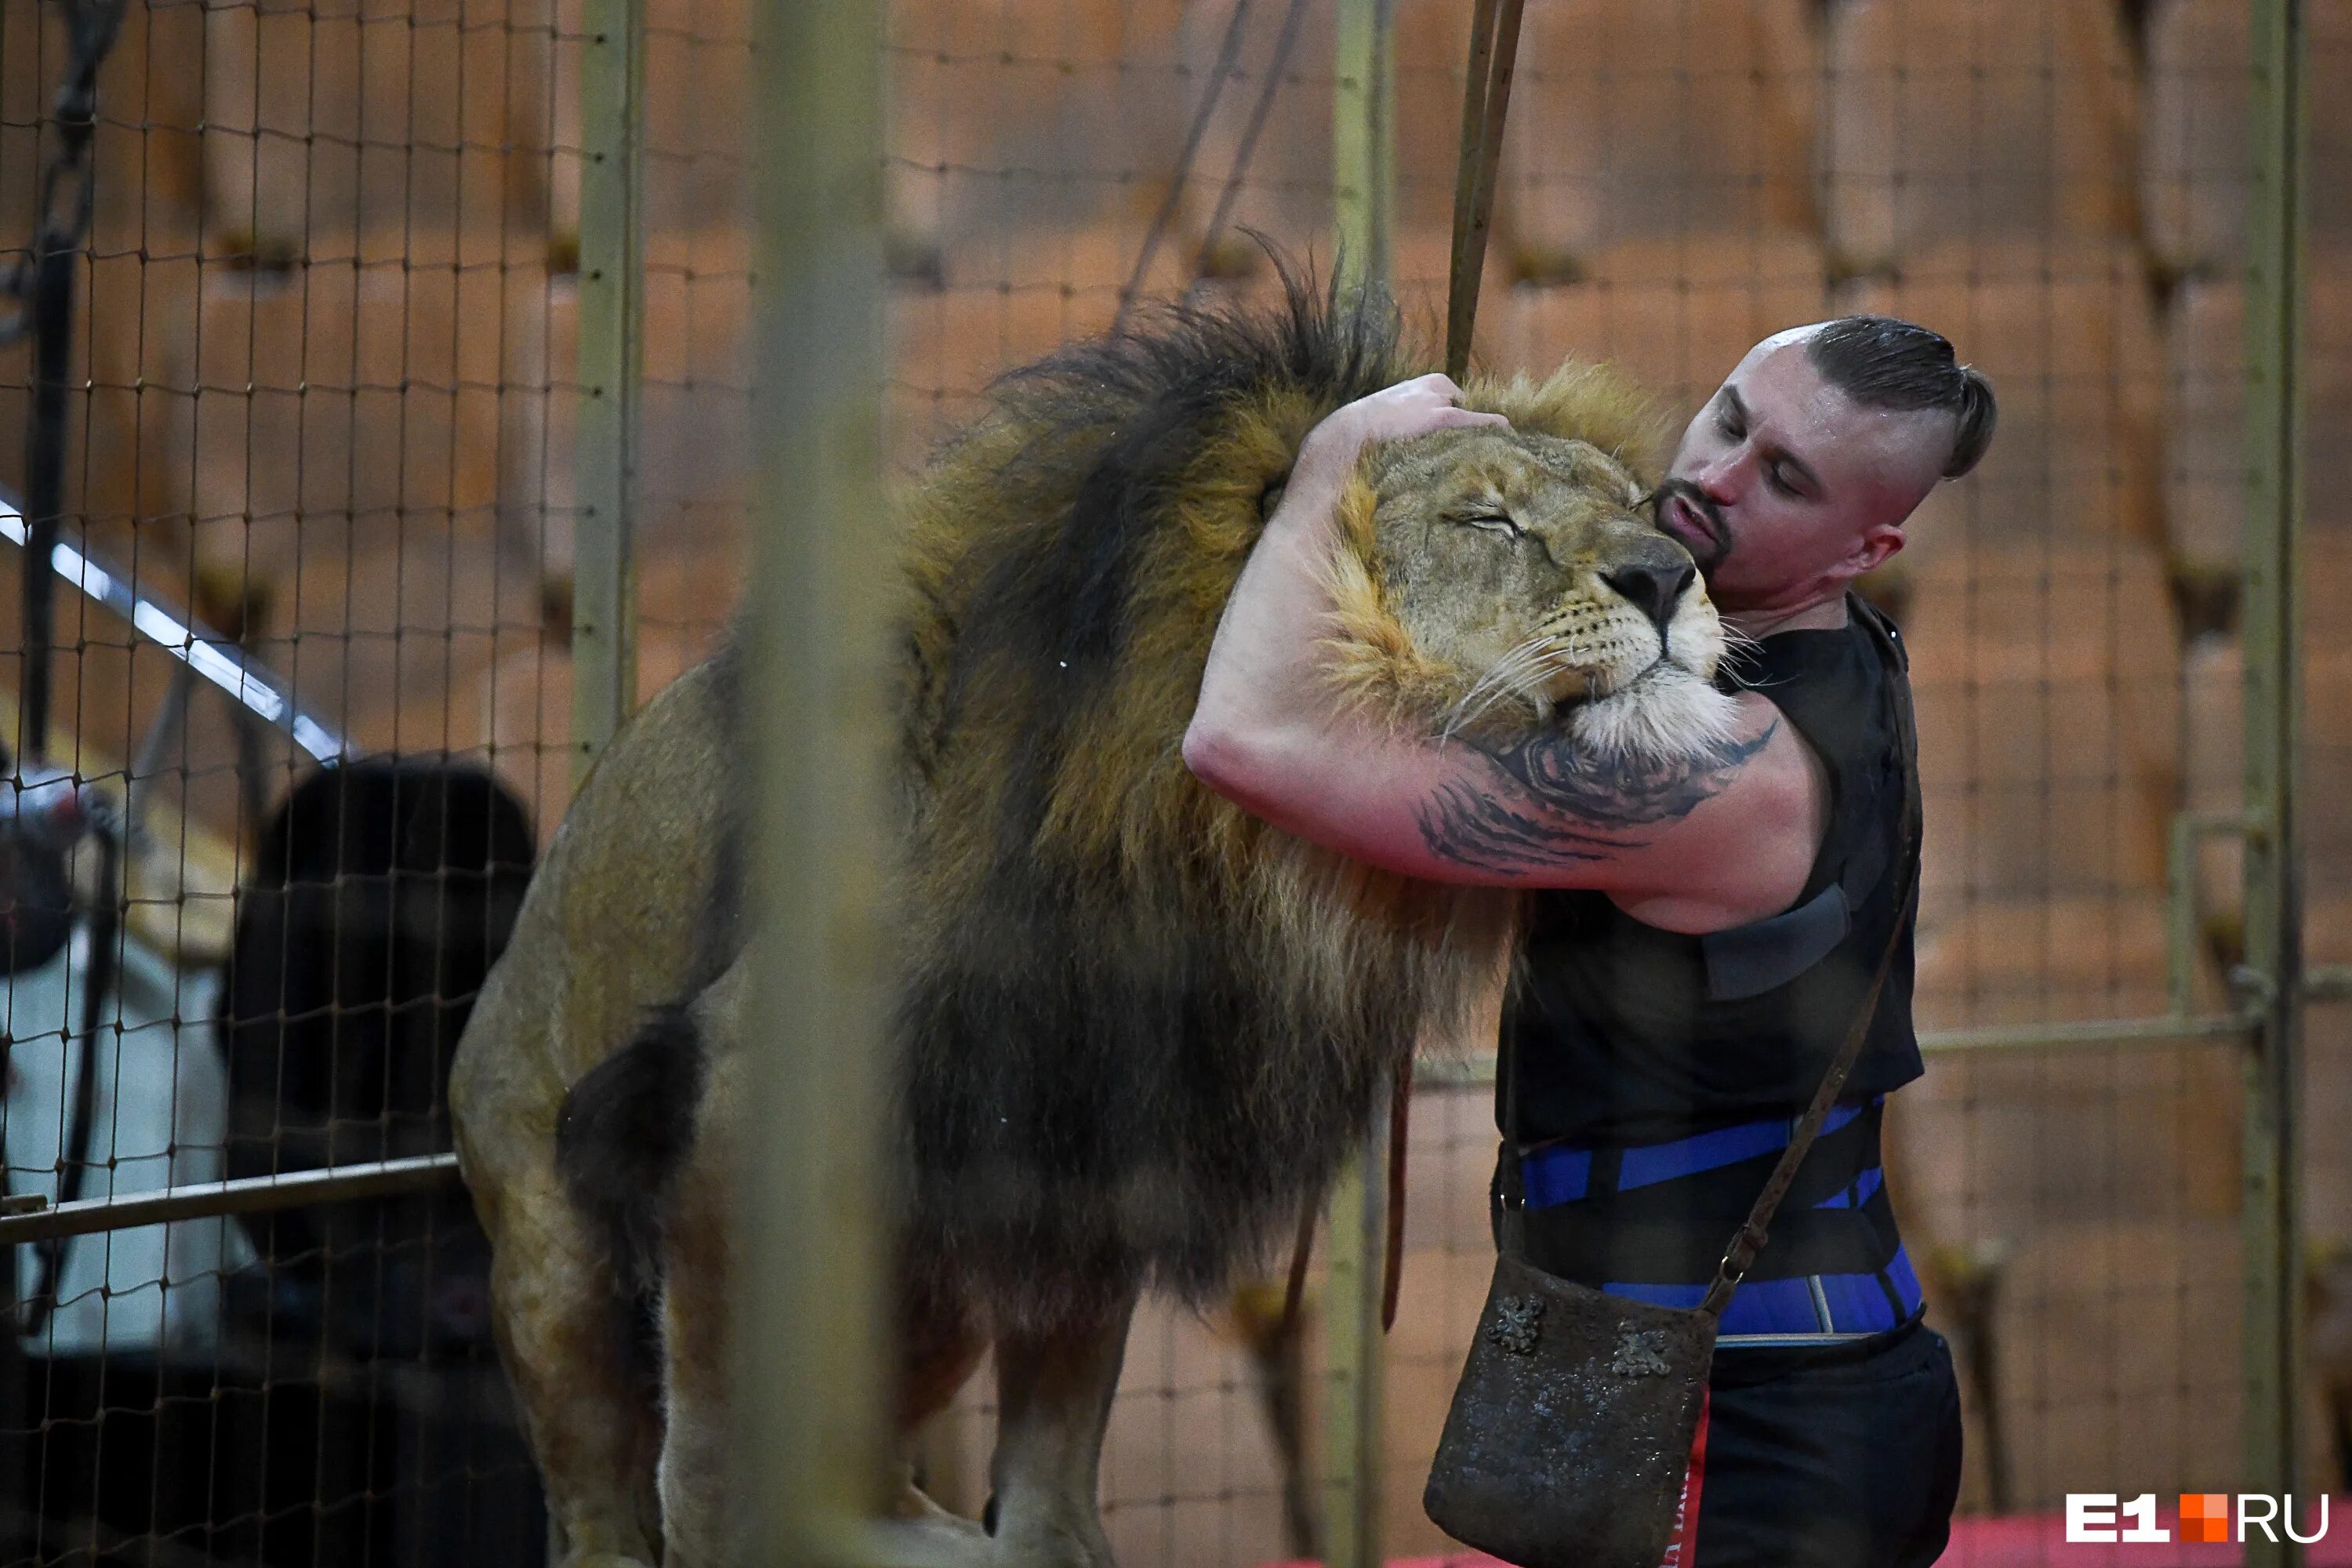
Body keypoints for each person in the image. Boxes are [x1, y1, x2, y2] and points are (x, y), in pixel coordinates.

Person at [1183, 316, 1996, 1566]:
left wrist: (1332, 463)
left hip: (1751, 1412)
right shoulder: (1822, 654)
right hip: (1706, 1362)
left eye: (1785, 479)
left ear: (1865, 548)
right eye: (1729, 419)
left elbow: (1241, 744)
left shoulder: (1731, 775)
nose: (1713, 480)